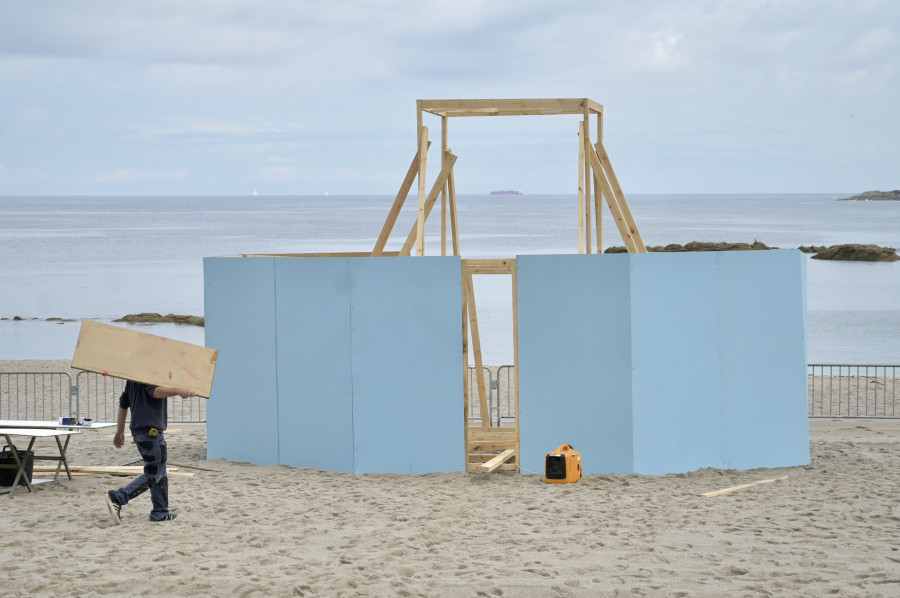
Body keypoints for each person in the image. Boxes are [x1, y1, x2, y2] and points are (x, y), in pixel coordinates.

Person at [104, 380, 195, 524]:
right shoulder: (148, 373)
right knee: (154, 472)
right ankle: (119, 497)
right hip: (149, 431)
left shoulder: (132, 376)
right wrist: (178, 389)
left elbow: (123, 403)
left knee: (160, 470)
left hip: (146, 431)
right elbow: (155, 392)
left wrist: (120, 431)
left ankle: (160, 512)